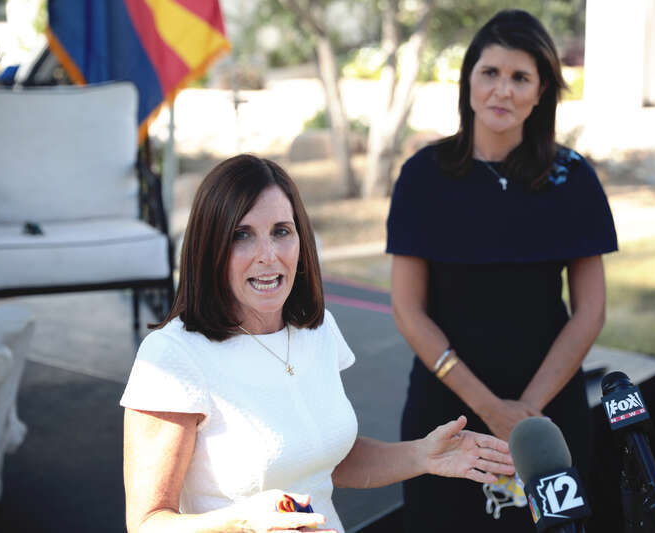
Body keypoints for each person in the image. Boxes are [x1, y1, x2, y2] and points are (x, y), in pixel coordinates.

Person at [120, 154, 514, 533]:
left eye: (281, 232)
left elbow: (328, 460)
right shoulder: (172, 356)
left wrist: (422, 455)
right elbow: (148, 522)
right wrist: (244, 520)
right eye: (242, 235)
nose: (268, 256)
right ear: (210, 248)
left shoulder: (318, 330)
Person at [386, 10, 618, 530]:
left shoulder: (573, 179)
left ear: (540, 94)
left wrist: (527, 411)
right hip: (446, 412)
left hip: (548, 414)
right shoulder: (423, 177)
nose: (502, 90)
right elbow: (407, 309)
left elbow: (590, 311)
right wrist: (489, 407)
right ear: (468, 80)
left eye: (520, 78)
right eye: (490, 73)